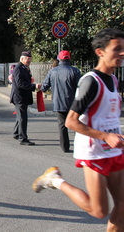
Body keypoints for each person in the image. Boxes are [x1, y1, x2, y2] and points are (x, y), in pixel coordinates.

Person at [32, 28, 124, 232]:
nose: (122, 53)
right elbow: (71, 122)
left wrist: (115, 135)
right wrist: (105, 136)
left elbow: (107, 116)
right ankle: (55, 180)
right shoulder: (91, 81)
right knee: (99, 211)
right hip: (94, 151)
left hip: (113, 150)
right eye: (117, 49)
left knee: (122, 204)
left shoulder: (114, 80)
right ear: (100, 52)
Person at [39, 50, 81, 152]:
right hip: (73, 104)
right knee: (76, 125)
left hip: (58, 103)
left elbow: (44, 87)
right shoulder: (75, 71)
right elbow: (81, 86)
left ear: (59, 59)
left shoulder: (52, 71)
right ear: (69, 58)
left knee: (62, 126)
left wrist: (39, 90)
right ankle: (79, 147)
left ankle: (65, 147)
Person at [10, 51, 41, 145]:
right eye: (28, 59)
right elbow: (20, 84)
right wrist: (34, 86)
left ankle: (16, 133)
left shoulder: (24, 68)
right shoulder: (19, 68)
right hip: (19, 97)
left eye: (30, 59)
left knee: (20, 116)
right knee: (23, 118)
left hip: (22, 96)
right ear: (22, 59)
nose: (29, 61)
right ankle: (23, 138)